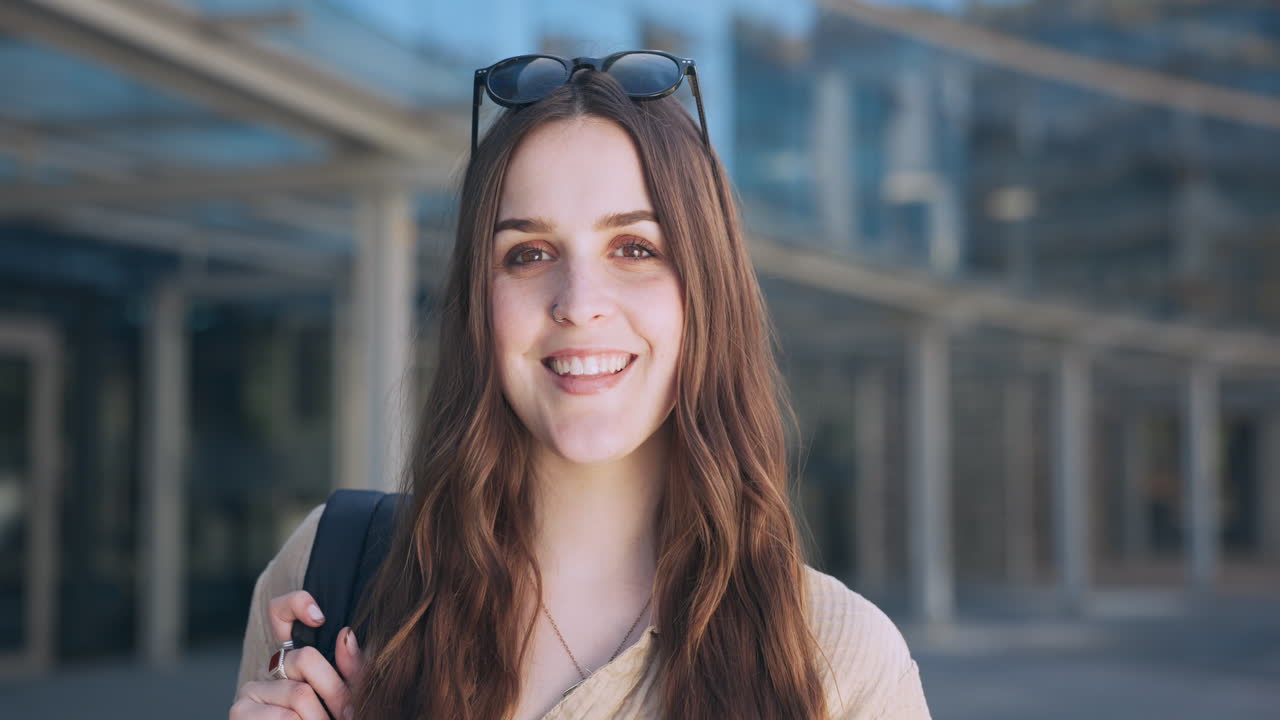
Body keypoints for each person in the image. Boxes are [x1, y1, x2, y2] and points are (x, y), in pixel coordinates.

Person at [230, 51, 931, 720]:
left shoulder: (840, 662)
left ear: (706, 294)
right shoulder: (336, 574)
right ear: (480, 303)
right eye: (528, 254)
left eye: (635, 249)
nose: (578, 301)